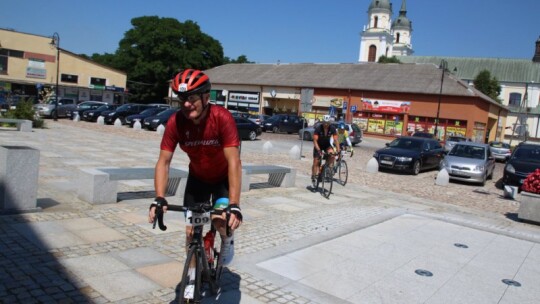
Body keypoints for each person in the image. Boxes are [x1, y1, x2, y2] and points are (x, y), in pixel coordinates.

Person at [148, 69, 243, 270]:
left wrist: (234, 204)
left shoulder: (222, 118)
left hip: (222, 180)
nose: (186, 104)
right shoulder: (176, 122)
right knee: (191, 234)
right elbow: (164, 161)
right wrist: (159, 197)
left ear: (206, 97)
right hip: (197, 180)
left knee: (219, 221)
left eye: (191, 98)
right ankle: (191, 280)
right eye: (181, 98)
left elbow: (234, 161)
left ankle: (227, 241)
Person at [311, 116, 340, 183]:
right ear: (322, 122)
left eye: (327, 123)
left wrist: (338, 151)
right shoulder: (318, 128)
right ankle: (313, 175)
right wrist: (318, 150)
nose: (326, 124)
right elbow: (315, 141)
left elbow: (336, 140)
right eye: (324, 123)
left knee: (332, 155)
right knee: (316, 161)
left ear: (329, 123)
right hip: (318, 146)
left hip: (327, 145)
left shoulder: (332, 128)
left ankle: (324, 167)